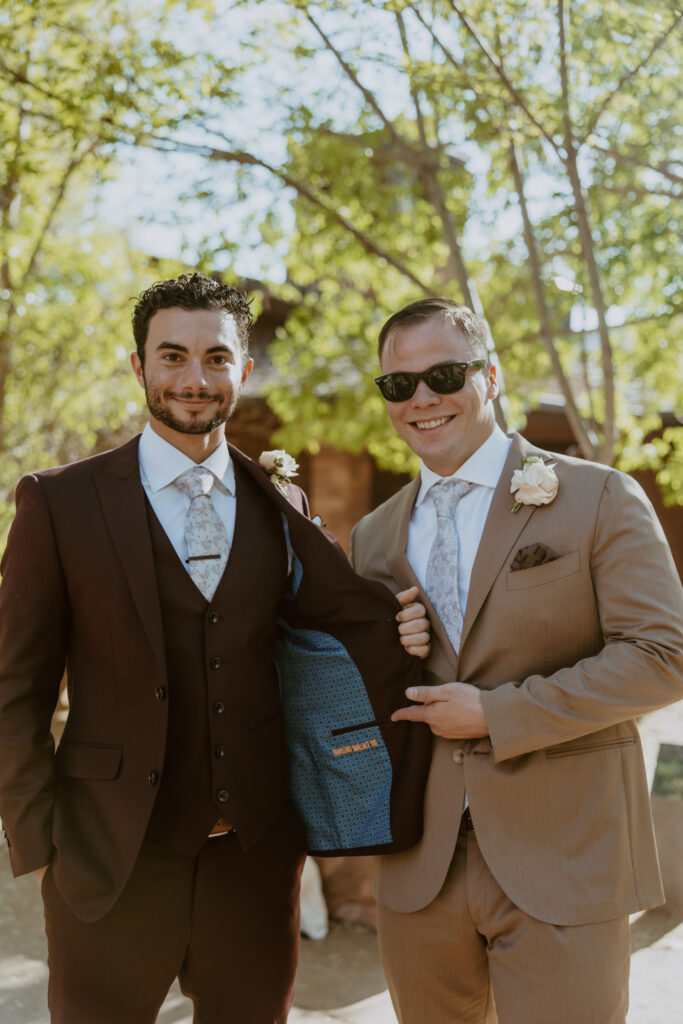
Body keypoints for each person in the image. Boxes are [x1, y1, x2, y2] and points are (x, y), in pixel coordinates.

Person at [0, 272, 430, 1024]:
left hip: (256, 858)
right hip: (109, 857)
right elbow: (14, 684)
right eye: (171, 357)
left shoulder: (281, 501)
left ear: (244, 370)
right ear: (138, 366)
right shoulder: (60, 502)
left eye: (215, 358)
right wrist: (40, 839)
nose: (193, 380)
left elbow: (325, 632)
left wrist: (406, 632)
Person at [350, 296, 683, 1024]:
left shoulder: (596, 496)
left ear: (491, 376)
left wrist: (499, 713)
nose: (422, 399)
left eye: (443, 373)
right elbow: (362, 693)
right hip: (418, 870)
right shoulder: (373, 537)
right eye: (398, 385)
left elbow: (663, 655)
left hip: (564, 856)